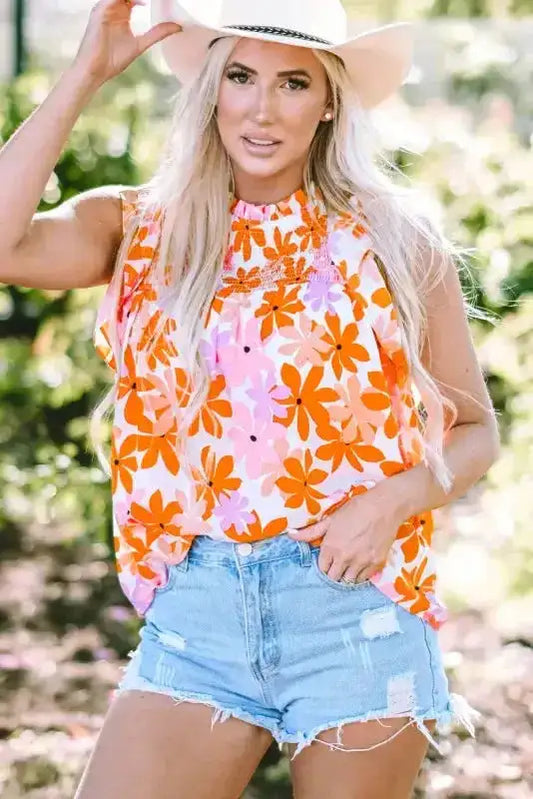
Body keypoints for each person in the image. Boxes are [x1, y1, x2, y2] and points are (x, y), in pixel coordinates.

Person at [0, 1, 500, 796]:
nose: (261, 109)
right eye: (240, 76)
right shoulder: (139, 228)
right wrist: (86, 73)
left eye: (293, 83)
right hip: (197, 611)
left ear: (328, 101)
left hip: (353, 608)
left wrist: (390, 503)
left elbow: (474, 430)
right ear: (212, 88)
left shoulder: (394, 238)